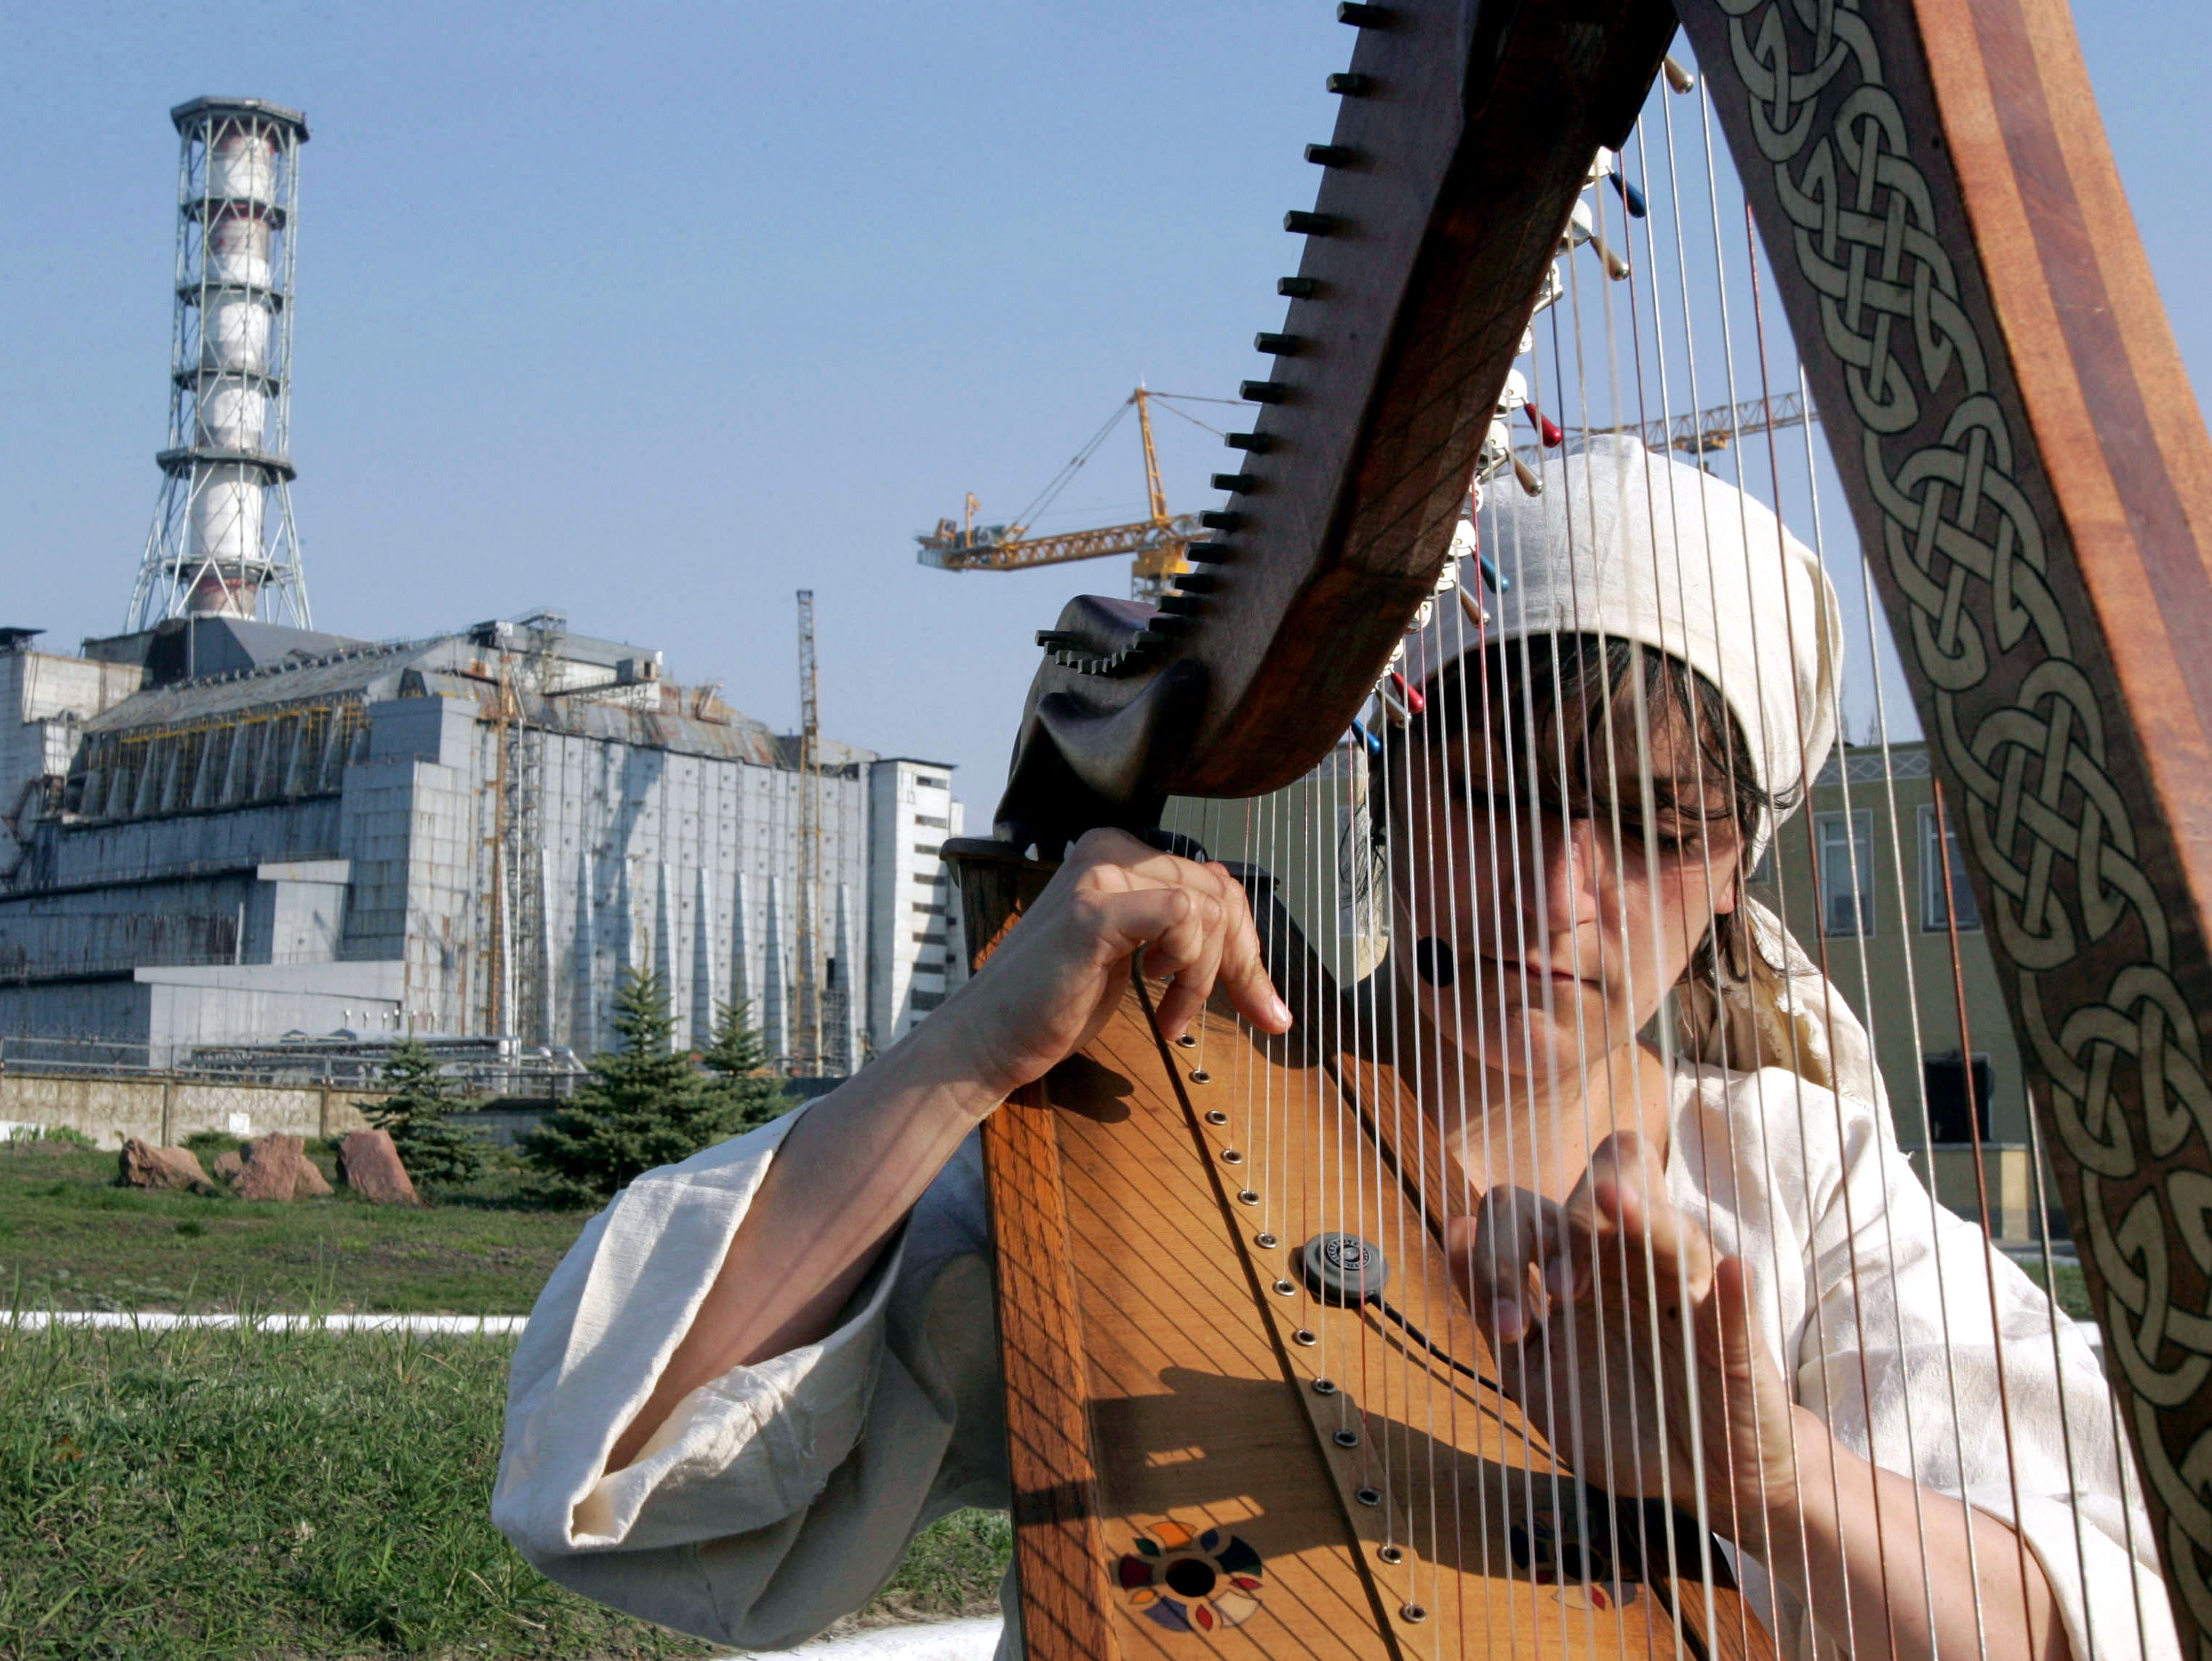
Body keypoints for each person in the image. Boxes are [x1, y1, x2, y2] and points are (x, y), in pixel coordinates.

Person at [495, 436, 2172, 1661]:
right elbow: (625, 1467)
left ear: (1731, 866)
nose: (1560, 894)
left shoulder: (1793, 1175)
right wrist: (968, 1059)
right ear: (1388, 789)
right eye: (1502, 800)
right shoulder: (1145, 1109)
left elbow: (2077, 1611)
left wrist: (1760, 1469)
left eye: (1653, 831)